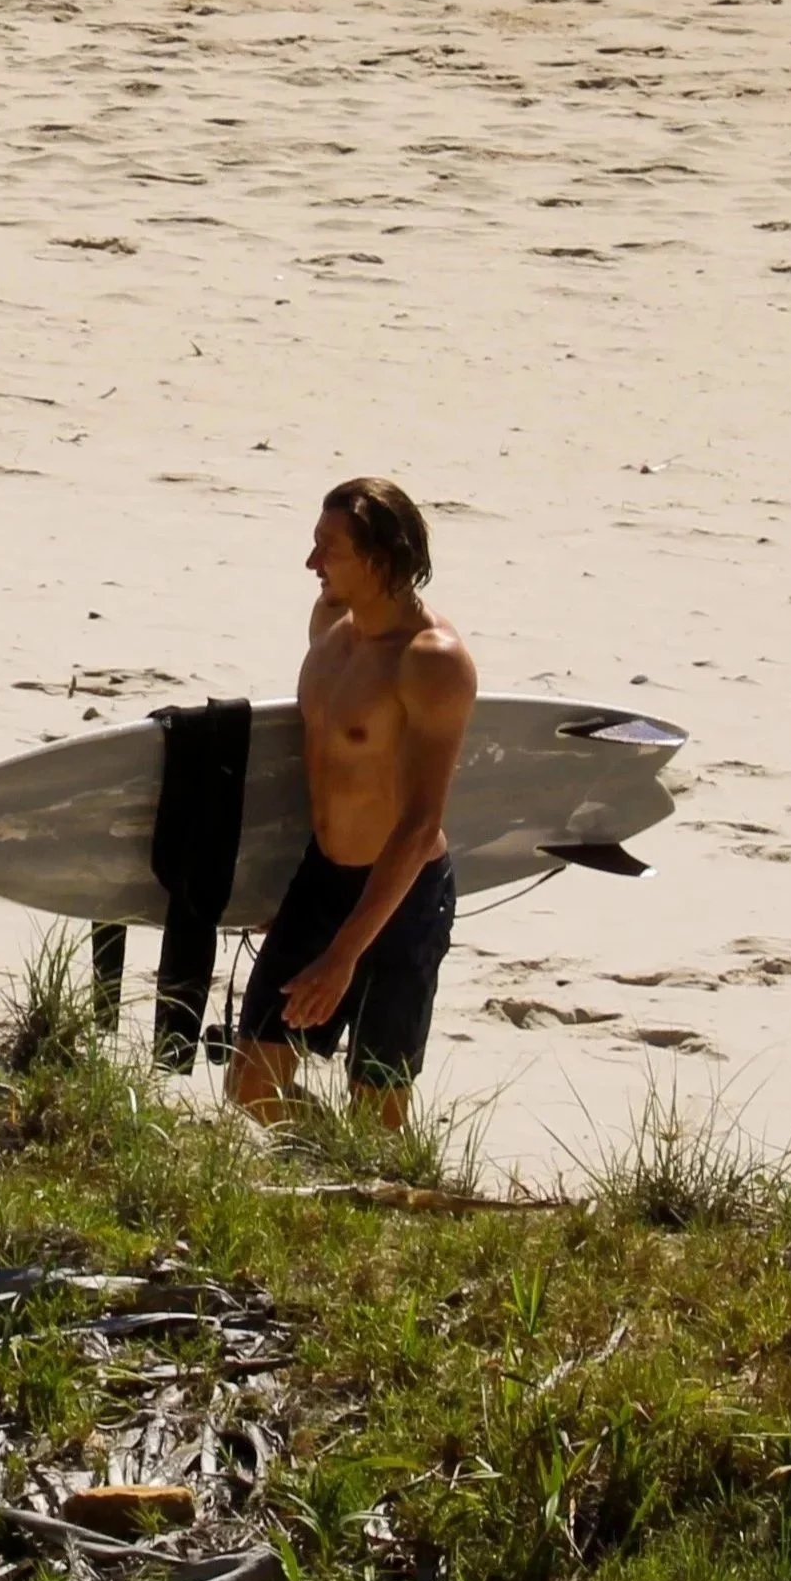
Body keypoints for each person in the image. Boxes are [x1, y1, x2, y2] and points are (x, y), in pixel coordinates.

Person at [227, 477, 477, 1131]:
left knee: (379, 1108)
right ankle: (340, 1162)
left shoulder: (432, 663)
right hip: (320, 880)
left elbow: (421, 824)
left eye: (327, 549)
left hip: (401, 900)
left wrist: (344, 955)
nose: (312, 564)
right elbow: (313, 772)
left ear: (381, 559)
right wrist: (263, 884)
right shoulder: (329, 629)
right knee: (251, 1080)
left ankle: (368, 1169)